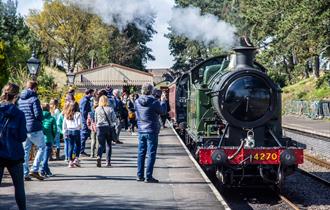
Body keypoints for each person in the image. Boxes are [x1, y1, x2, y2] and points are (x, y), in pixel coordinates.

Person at [0, 83, 27, 210]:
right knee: (19, 187)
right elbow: (22, 137)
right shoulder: (19, 114)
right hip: (14, 153)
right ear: (16, 96)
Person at [135, 83, 166, 183]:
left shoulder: (137, 101)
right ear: (151, 91)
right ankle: (148, 177)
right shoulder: (154, 101)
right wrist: (163, 101)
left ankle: (140, 176)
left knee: (141, 153)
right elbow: (163, 112)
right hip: (151, 130)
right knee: (151, 154)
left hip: (141, 129)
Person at [18, 81, 45, 181]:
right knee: (42, 147)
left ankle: (25, 173)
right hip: (35, 128)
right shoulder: (34, 99)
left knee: (25, 151)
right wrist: (41, 118)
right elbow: (38, 114)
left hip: (24, 128)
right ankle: (34, 169)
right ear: (34, 88)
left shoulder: (20, 99)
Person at [94, 96, 116, 167]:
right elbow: (114, 119)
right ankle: (108, 161)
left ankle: (99, 156)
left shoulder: (97, 109)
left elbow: (95, 119)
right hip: (108, 128)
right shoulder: (110, 109)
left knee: (101, 144)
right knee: (108, 144)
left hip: (100, 128)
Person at [40, 103, 57, 177]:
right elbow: (54, 129)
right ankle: (42, 170)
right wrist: (53, 137)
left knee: (43, 156)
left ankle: (48, 171)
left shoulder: (39, 118)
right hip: (48, 139)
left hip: (40, 139)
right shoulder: (52, 118)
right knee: (46, 157)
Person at [63, 102, 81, 168]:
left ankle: (70, 161)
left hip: (69, 131)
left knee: (71, 146)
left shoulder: (66, 114)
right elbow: (79, 124)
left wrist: (64, 132)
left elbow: (64, 125)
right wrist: (79, 128)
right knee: (78, 145)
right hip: (76, 130)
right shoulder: (78, 114)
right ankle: (76, 158)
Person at [79, 89, 94, 156]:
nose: (93, 95)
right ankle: (81, 151)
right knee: (83, 135)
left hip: (84, 120)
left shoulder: (84, 99)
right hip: (84, 120)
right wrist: (86, 120)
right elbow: (84, 112)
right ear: (89, 93)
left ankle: (81, 150)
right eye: (92, 93)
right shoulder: (85, 101)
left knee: (84, 135)